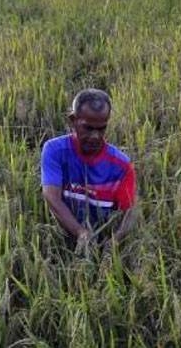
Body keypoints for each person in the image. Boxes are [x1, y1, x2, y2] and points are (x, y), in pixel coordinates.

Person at [40, 88, 138, 251]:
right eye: (88, 128)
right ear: (73, 120)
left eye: (101, 129)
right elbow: (51, 196)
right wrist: (80, 233)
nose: (95, 136)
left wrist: (116, 240)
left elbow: (132, 211)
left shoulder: (122, 165)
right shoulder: (54, 151)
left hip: (102, 241)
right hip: (60, 241)